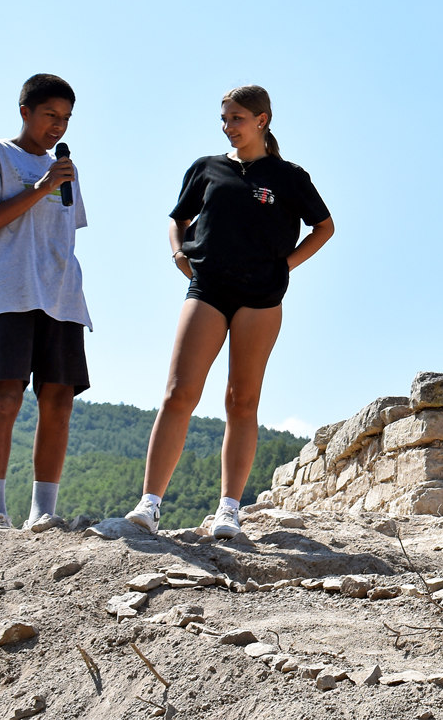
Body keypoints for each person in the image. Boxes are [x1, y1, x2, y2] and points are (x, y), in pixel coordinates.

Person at [126, 85, 333, 539]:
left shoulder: (290, 176)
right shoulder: (206, 169)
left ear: (262, 120)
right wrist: (178, 254)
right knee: (179, 393)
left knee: (242, 401)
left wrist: (286, 264)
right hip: (208, 289)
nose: (228, 126)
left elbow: (324, 226)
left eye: (237, 118)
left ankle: (228, 510)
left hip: (261, 296)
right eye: (224, 118)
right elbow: (177, 219)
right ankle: (149, 504)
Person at [0, 73, 90, 531]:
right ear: (25, 111)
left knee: (59, 399)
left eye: (66, 119)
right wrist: (39, 188)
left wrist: (53, 184)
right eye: (50, 115)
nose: (58, 127)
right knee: (6, 395)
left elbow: (63, 231)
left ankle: (43, 514)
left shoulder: (67, 169)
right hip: (9, 290)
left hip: (62, 295)